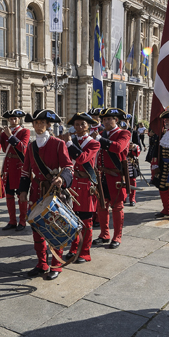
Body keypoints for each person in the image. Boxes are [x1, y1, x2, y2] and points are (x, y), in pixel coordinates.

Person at [22, 109, 73, 279]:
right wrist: (22, 191)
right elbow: (25, 171)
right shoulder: (30, 146)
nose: (38, 126)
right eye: (36, 123)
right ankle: (41, 264)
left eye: (41, 123)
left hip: (54, 191)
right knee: (37, 229)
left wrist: (62, 179)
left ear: (48, 125)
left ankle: (56, 265)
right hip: (36, 191)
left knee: (55, 228)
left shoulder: (58, 144)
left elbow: (68, 167)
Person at [90, 107, 132, 248]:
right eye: (104, 119)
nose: (106, 122)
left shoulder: (124, 133)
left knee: (117, 207)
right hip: (101, 175)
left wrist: (100, 139)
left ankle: (117, 237)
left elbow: (118, 148)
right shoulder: (101, 134)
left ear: (116, 120)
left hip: (116, 176)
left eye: (109, 119)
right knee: (102, 206)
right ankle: (104, 234)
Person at [62, 112, 101, 263]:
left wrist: (70, 144)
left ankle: (85, 252)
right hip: (72, 184)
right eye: (76, 124)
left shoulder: (93, 143)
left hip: (85, 185)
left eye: (82, 124)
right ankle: (74, 248)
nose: (79, 127)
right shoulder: (69, 141)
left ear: (88, 126)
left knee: (86, 221)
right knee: (72, 220)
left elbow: (83, 158)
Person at [0, 109, 31, 232]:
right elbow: (4, 149)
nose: (13, 120)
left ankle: (22, 221)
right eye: (11, 119)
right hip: (9, 167)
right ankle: (12, 221)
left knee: (21, 195)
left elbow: (23, 148)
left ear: (19, 119)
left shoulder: (25, 131)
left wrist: (10, 136)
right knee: (9, 195)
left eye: (15, 118)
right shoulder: (5, 133)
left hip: (20, 167)